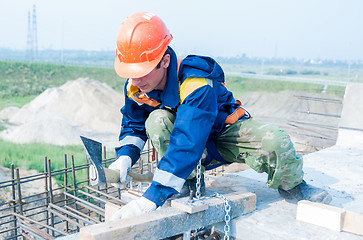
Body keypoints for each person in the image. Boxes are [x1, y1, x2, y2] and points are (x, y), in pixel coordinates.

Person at [108, 11, 331, 221]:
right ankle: (187, 182)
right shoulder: (138, 86)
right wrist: (124, 158)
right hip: (191, 145)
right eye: (130, 72)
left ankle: (292, 185)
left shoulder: (196, 83)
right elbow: (133, 125)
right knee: (157, 121)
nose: (134, 80)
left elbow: (188, 141)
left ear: (164, 61)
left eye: (141, 71)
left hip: (222, 135)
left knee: (276, 141)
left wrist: (152, 197)